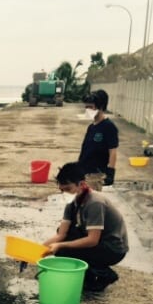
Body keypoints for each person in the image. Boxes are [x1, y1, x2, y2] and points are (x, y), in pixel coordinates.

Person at [44, 162, 129, 292]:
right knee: (63, 240)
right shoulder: (72, 203)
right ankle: (87, 276)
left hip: (112, 248)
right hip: (98, 243)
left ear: (82, 184)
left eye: (68, 189)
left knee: (63, 248)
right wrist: (37, 251)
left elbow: (92, 240)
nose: (64, 193)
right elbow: (61, 234)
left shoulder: (95, 203)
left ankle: (104, 274)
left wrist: (60, 245)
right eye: (62, 190)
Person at [78, 89, 118, 189]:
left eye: (91, 107)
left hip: (96, 174)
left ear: (100, 107)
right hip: (85, 171)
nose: (87, 110)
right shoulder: (91, 127)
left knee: (90, 200)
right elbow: (85, 149)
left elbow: (113, 150)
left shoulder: (108, 127)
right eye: (86, 107)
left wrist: (111, 172)